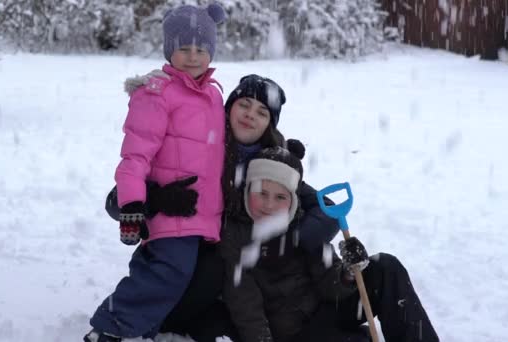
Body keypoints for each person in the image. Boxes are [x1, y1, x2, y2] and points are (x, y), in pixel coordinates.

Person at [104, 75, 342, 341]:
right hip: (185, 264)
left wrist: (292, 240)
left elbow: (328, 210)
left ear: (269, 124)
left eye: (262, 112)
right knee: (213, 266)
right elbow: (117, 202)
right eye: (244, 104)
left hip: (242, 281)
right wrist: (156, 199)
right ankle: (156, 318)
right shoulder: (194, 146)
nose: (250, 115)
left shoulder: (271, 162)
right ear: (228, 108)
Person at [84, 4, 227, 341]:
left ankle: (146, 325)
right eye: (184, 48)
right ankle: (110, 327)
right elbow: (134, 156)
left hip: (202, 213)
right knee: (168, 270)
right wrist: (133, 205)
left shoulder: (213, 95)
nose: (193, 57)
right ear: (168, 49)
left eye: (201, 49)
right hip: (168, 207)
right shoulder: (157, 93)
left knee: (183, 273)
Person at [220, 141, 440, 342]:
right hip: (293, 334)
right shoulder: (235, 237)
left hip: (327, 311)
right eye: (261, 192)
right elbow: (246, 308)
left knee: (385, 267)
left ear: (293, 202)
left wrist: (348, 274)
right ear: (247, 190)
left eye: (280, 197)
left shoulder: (302, 225)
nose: (268, 205)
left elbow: (331, 286)